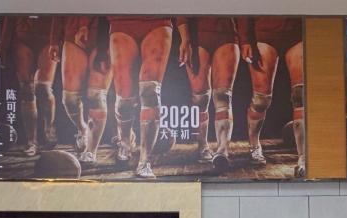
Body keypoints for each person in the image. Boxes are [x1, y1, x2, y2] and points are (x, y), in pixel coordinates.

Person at [107, 16, 174, 178]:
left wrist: (185, 36)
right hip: (121, 19)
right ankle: (125, 142)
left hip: (158, 19)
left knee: (150, 91)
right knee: (124, 99)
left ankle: (145, 161)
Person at [237, 17, 306, 175]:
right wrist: (245, 40)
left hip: (298, 33)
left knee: (300, 95)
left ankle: (303, 157)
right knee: (261, 100)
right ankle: (254, 145)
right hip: (263, 33)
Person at [176, 17, 241, 170]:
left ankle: (222, 150)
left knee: (223, 96)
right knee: (200, 98)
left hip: (227, 34)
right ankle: (202, 146)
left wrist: (245, 41)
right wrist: (185, 39)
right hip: (196, 37)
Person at [60, 16, 114, 165]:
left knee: (96, 96)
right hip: (74, 29)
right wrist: (53, 40)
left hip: (106, 32)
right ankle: (82, 128)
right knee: (69, 99)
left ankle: (91, 151)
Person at [4, 16, 60, 157]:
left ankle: (50, 131)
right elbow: (9, 15)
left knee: (43, 89)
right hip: (23, 35)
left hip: (48, 36)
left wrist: (58, 39)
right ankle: (31, 142)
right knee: (27, 90)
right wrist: (3, 46)